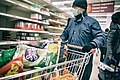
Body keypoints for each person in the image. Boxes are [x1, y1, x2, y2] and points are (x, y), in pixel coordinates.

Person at [60, 0, 106, 80]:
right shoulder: (71, 21)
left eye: (76, 8)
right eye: (73, 8)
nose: (73, 10)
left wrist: (92, 44)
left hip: (84, 58)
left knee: (83, 77)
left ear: (83, 9)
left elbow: (101, 36)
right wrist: (60, 40)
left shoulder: (91, 22)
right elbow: (65, 35)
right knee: (69, 77)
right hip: (70, 57)